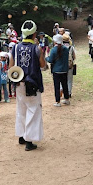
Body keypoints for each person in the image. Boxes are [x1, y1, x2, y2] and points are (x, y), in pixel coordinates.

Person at [10, 20, 46, 151]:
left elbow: (11, 67)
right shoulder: (36, 48)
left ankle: (21, 135)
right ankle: (29, 141)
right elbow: (43, 65)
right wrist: (41, 52)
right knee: (33, 111)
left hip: (19, 83)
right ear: (34, 34)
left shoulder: (15, 47)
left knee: (21, 109)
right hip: (32, 83)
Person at [46, 34, 70, 107]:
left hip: (56, 70)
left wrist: (46, 57)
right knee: (65, 85)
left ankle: (58, 101)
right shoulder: (66, 49)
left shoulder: (53, 50)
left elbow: (50, 60)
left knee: (57, 86)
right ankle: (66, 99)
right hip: (64, 70)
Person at [63, 33, 76, 98]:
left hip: (62, 66)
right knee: (69, 80)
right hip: (69, 65)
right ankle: (69, 92)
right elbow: (74, 57)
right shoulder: (71, 47)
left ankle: (63, 91)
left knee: (63, 79)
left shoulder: (60, 47)